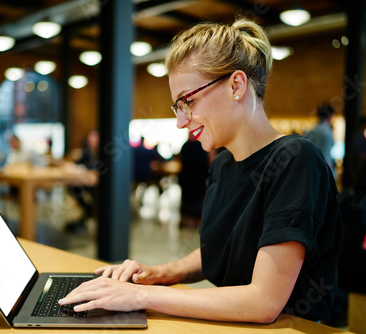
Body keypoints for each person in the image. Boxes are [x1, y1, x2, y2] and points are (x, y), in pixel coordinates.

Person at [60, 18, 342, 323]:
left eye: (188, 101)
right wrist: (159, 273)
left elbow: (264, 300)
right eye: (177, 107)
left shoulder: (296, 160)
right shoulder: (222, 164)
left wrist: (140, 296)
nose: (181, 121)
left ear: (236, 85)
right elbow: (219, 250)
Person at [177, 132, 210, 228]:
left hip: (189, 177)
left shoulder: (185, 146)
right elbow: (212, 161)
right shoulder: (204, 145)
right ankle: (194, 219)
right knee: (198, 198)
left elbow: (180, 161)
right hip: (199, 177)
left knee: (189, 198)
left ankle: (189, 218)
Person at [305, 103, 335, 176]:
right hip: (324, 169)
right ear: (330, 116)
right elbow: (326, 155)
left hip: (312, 169)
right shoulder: (327, 132)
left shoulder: (311, 131)